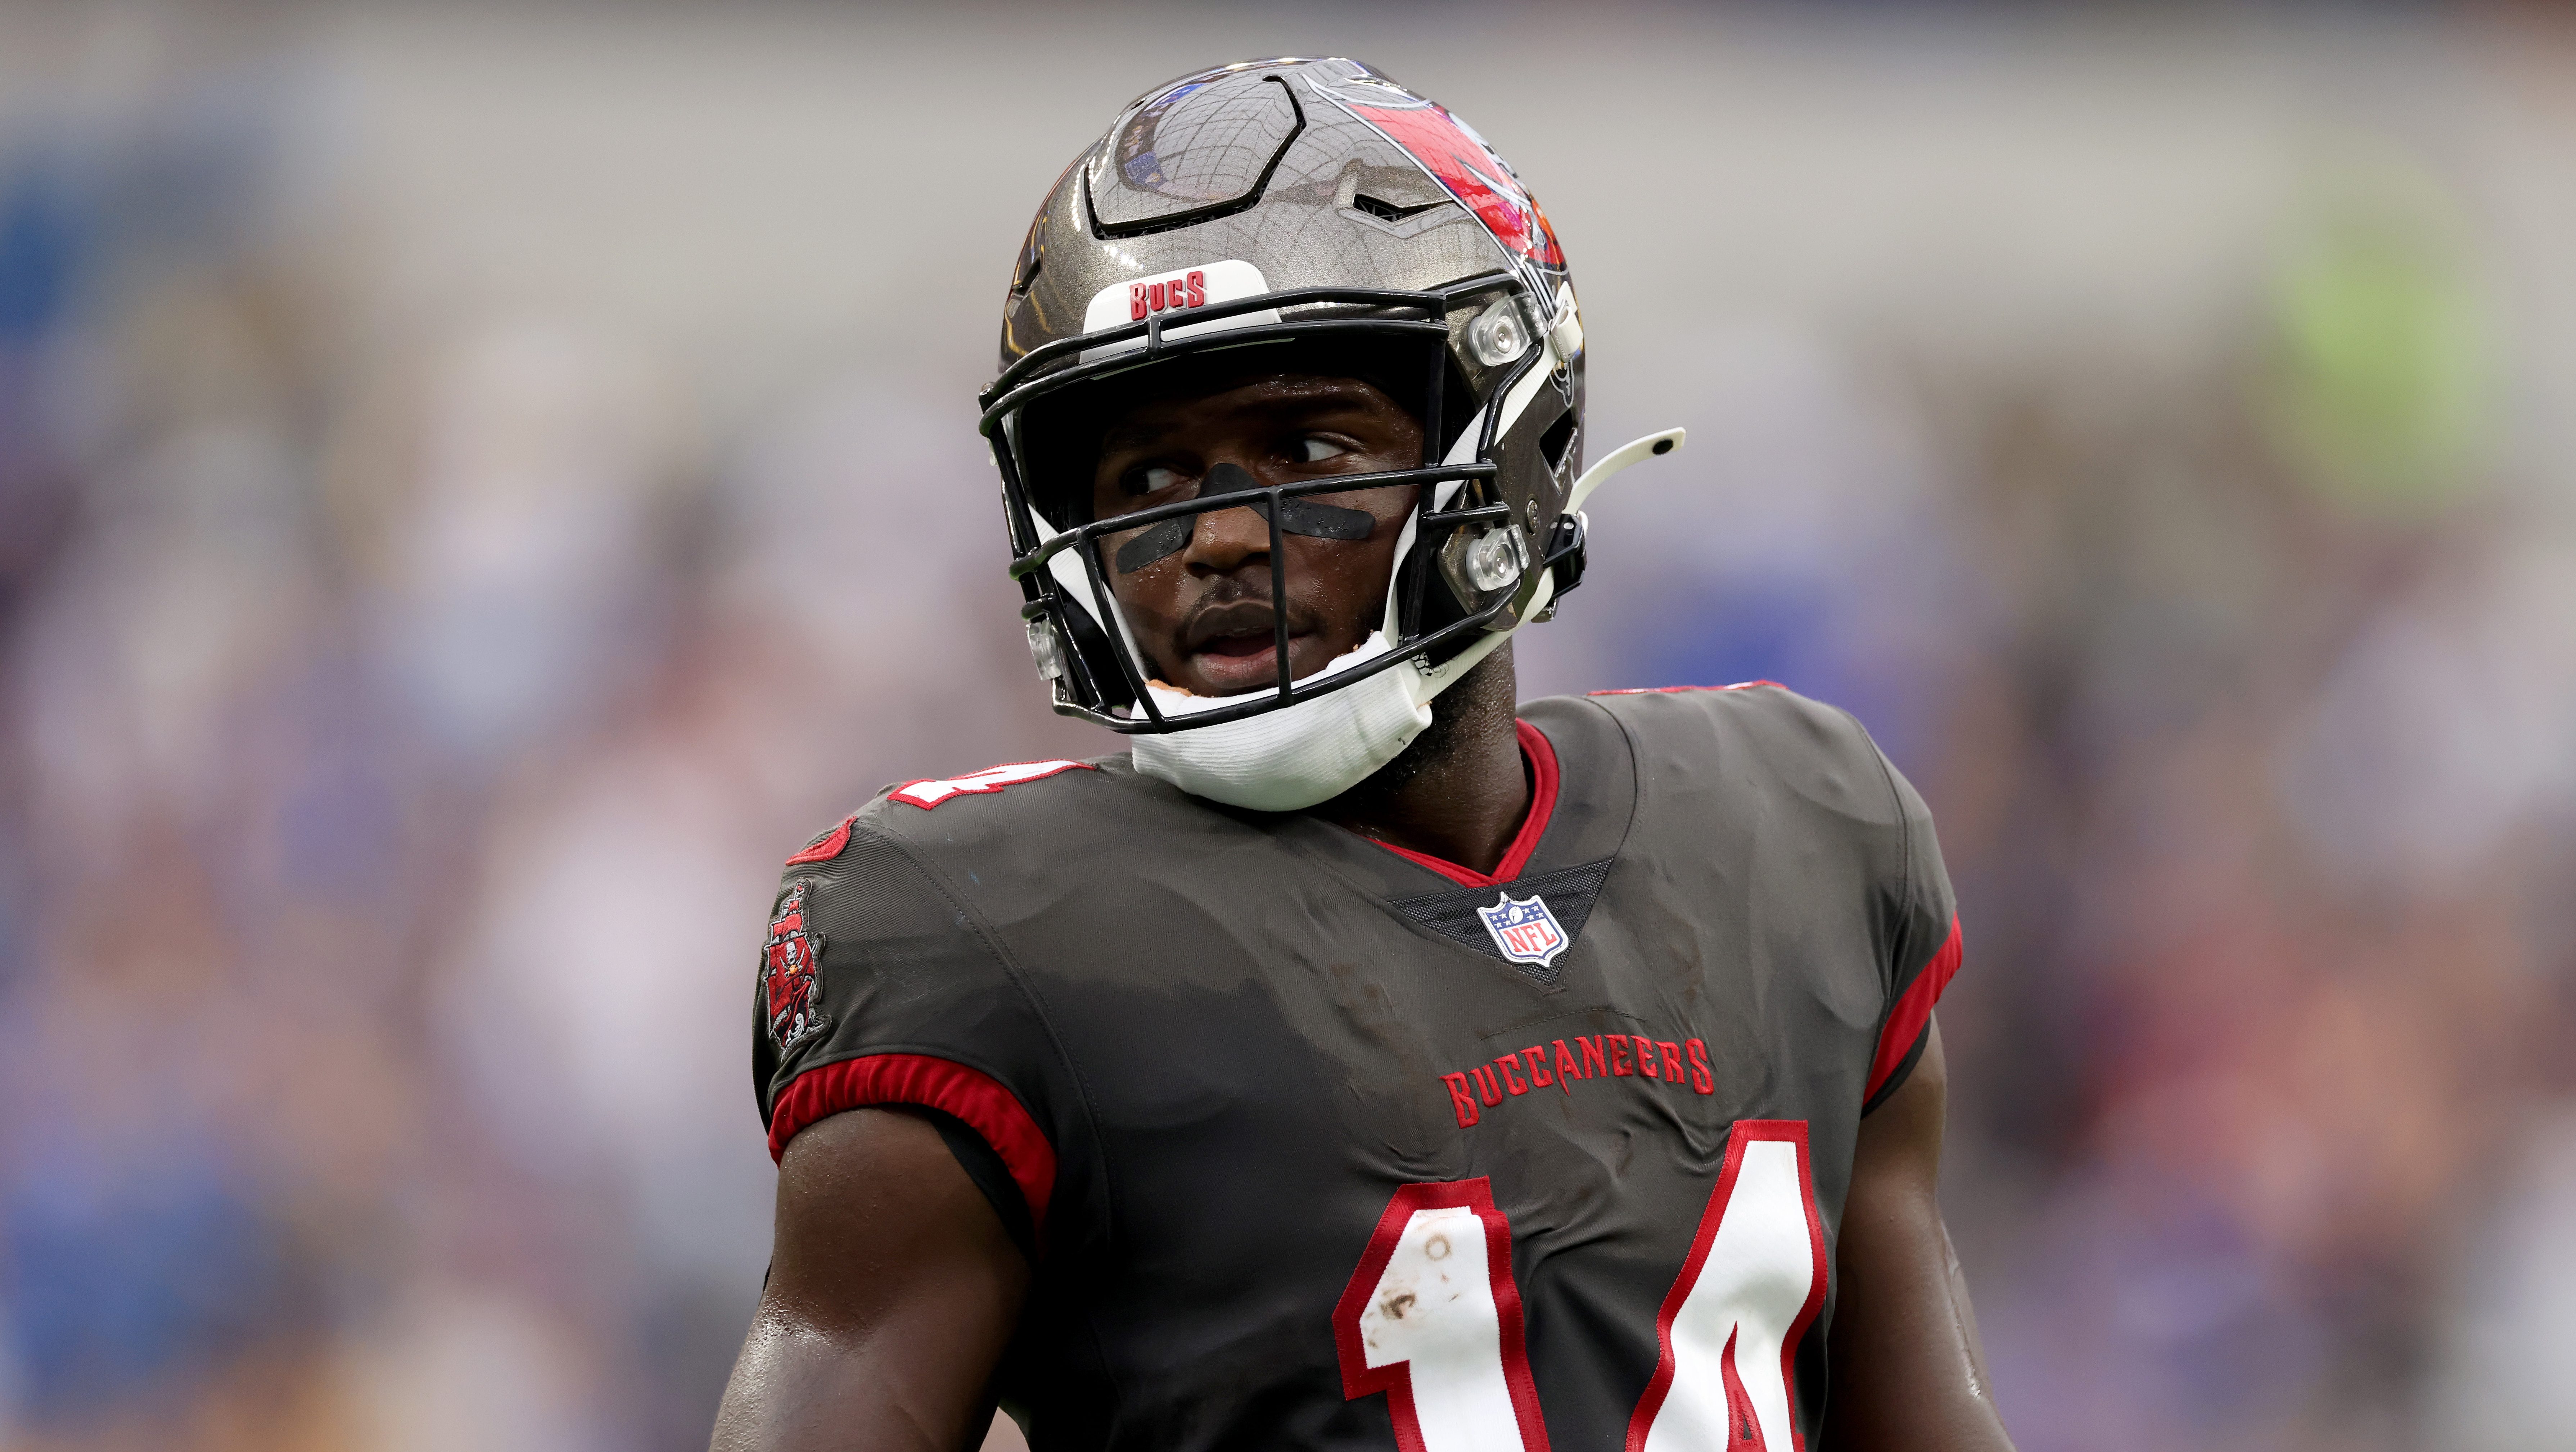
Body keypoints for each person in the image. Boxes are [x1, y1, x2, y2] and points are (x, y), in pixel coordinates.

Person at [713, 57, 2014, 1452]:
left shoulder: (1790, 827)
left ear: (1508, 444)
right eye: (1146, 476)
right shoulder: (978, 932)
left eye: (1304, 444)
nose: (1213, 534)